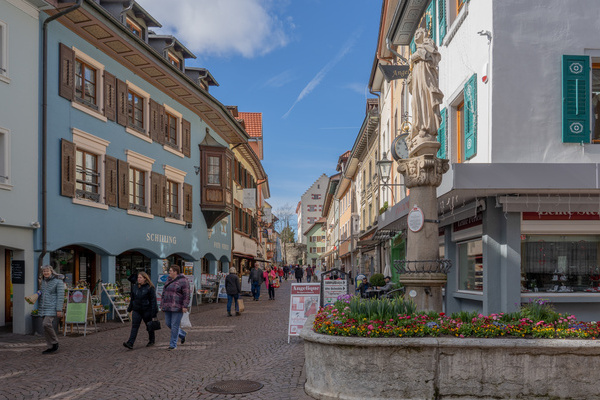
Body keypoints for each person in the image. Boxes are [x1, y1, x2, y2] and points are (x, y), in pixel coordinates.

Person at [123, 272, 157, 349]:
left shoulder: (150, 287)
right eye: (138, 277)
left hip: (146, 310)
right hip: (136, 310)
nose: (138, 279)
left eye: (140, 277)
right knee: (134, 326)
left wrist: (153, 312)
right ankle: (130, 343)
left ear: (145, 278)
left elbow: (153, 301)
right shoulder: (135, 287)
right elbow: (133, 299)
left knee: (149, 326)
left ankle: (152, 340)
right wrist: (130, 308)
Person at [161, 265, 190, 350]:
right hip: (168, 306)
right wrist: (162, 304)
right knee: (168, 323)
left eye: (170, 271)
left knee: (174, 325)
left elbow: (186, 294)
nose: (169, 272)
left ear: (175, 272)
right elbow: (164, 293)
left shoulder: (183, 281)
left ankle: (173, 344)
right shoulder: (168, 280)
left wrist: (185, 306)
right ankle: (182, 334)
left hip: (177, 306)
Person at [38, 265, 65, 354]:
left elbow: (60, 296)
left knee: (46, 324)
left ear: (51, 271)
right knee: (45, 327)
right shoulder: (42, 281)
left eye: (47, 271)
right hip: (44, 307)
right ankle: (50, 346)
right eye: (44, 271)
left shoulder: (58, 281)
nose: (45, 273)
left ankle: (55, 342)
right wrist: (39, 293)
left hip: (52, 307)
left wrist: (59, 309)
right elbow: (44, 293)